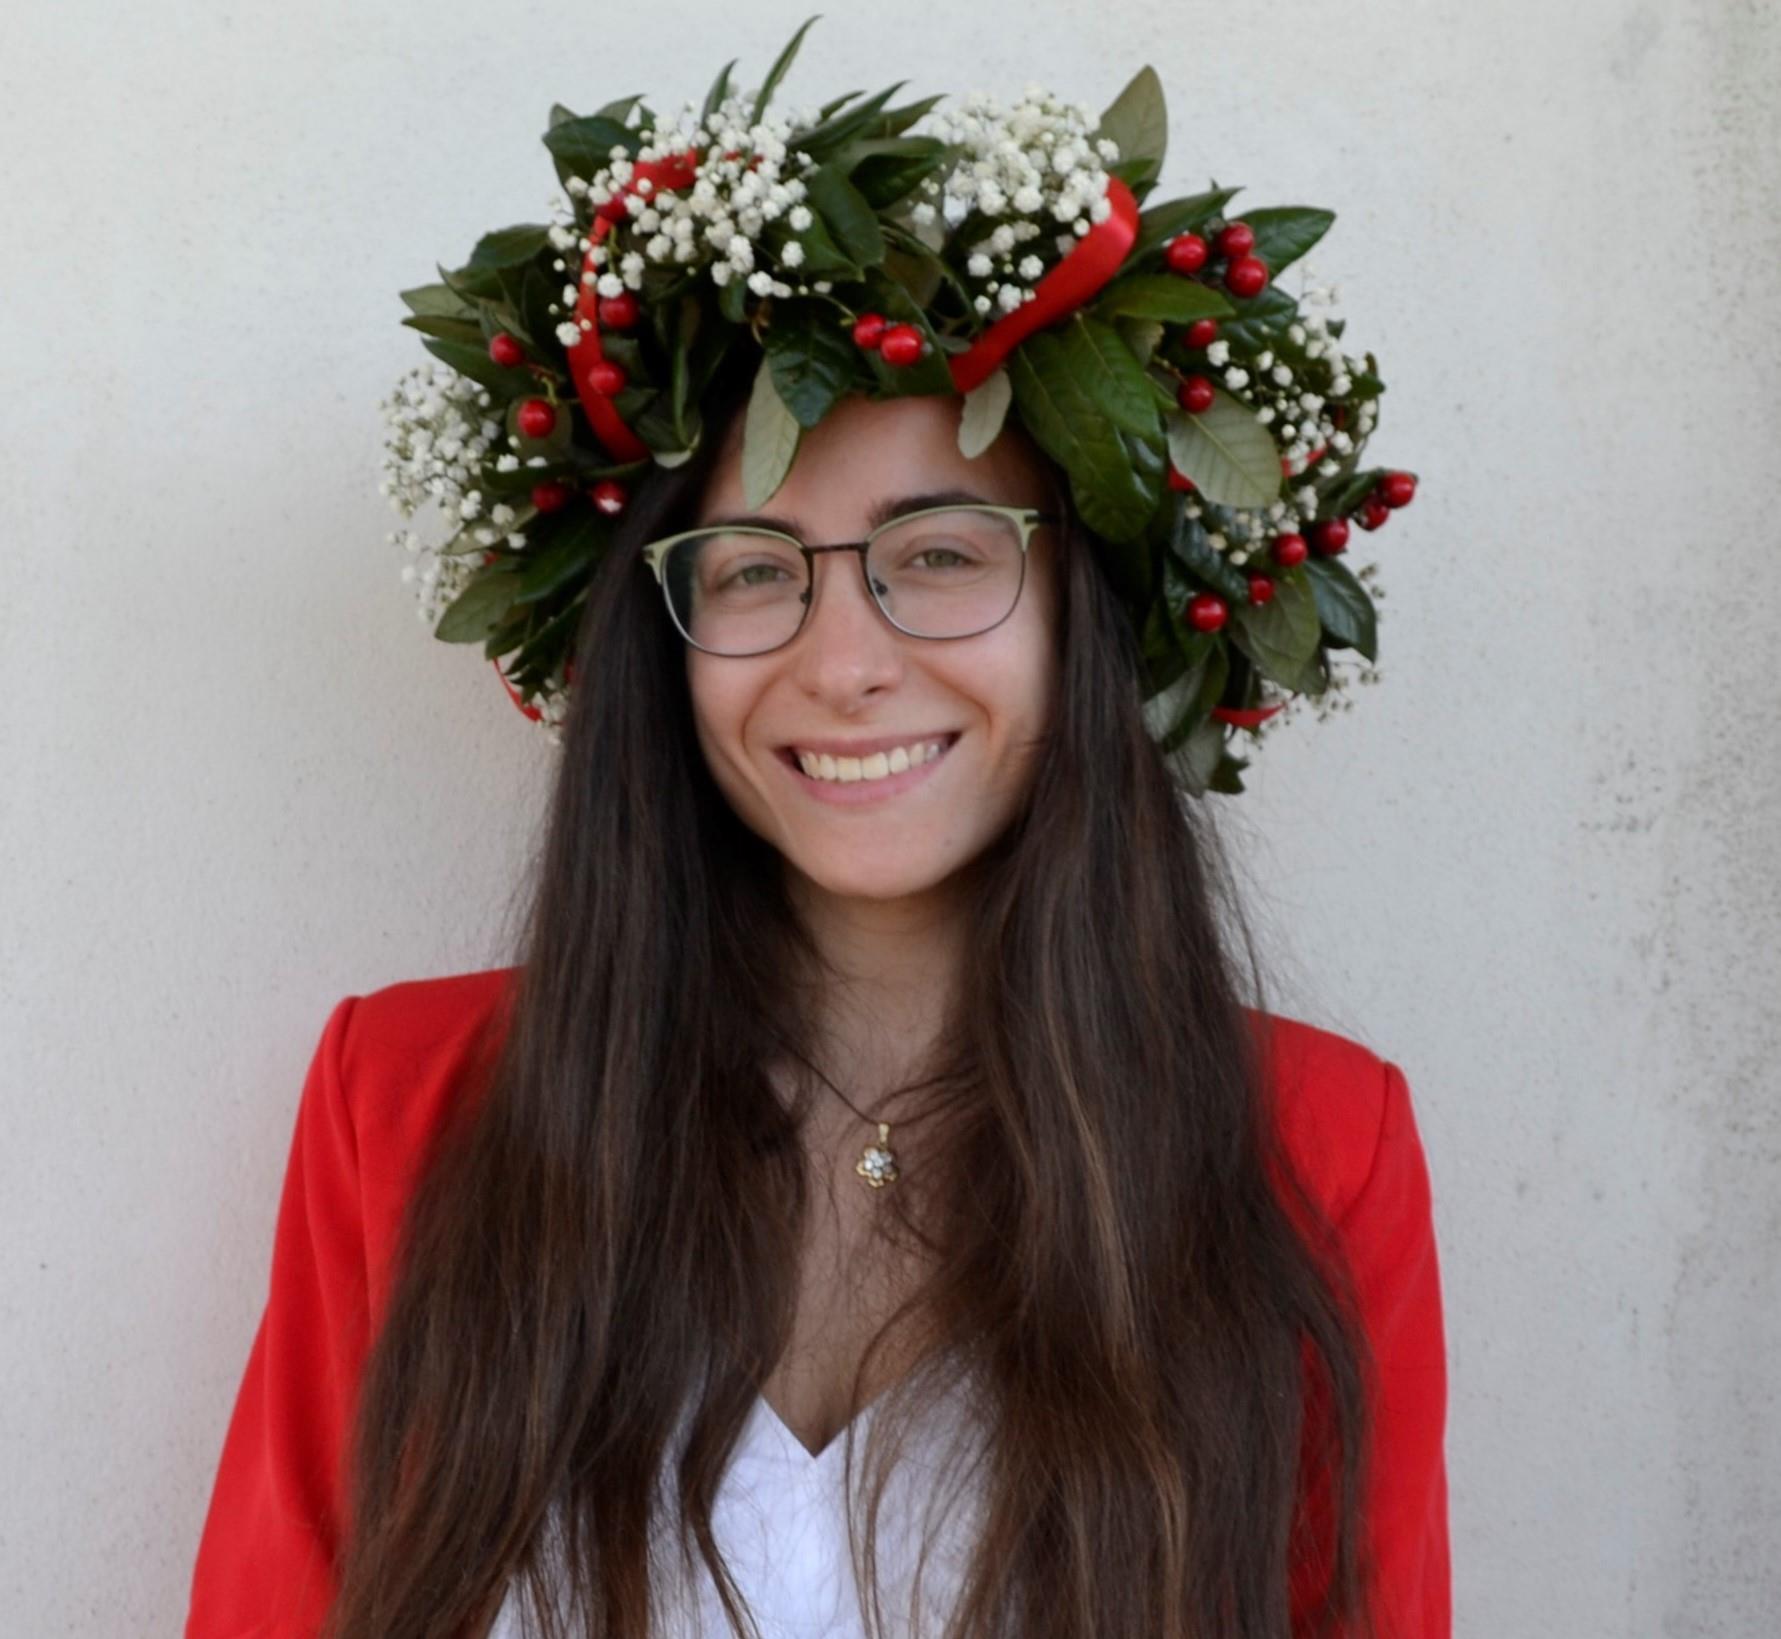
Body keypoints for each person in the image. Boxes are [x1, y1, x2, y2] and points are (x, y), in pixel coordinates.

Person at [184, 352, 1448, 1638]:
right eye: (751, 569)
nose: (843, 665)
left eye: (941, 554)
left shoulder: (1319, 1145)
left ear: (1088, 608)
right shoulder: (400, 1098)